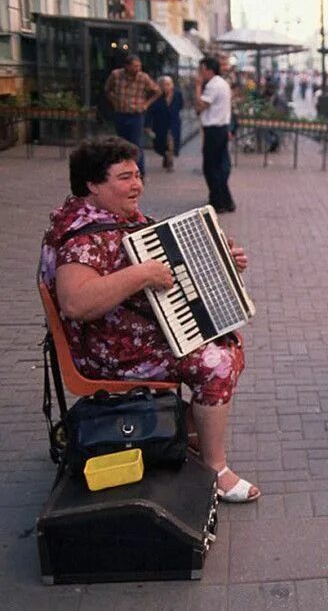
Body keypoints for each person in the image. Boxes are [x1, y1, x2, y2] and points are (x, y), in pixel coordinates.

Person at [39, 137, 259, 502]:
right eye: (124, 177)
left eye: (138, 175)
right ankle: (215, 469)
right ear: (93, 185)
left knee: (226, 339)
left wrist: (224, 262)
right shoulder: (81, 240)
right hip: (108, 352)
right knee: (215, 364)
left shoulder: (112, 220)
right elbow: (76, 304)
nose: (137, 184)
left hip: (127, 334)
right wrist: (141, 275)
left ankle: (182, 432)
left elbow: (173, 268)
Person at [104, 55, 161, 177]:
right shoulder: (116, 75)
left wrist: (146, 104)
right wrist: (114, 101)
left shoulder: (143, 77)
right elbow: (107, 89)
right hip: (121, 113)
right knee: (122, 143)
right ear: (127, 66)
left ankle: (140, 173)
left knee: (136, 144)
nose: (138, 68)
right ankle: (123, 171)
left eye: (139, 66)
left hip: (136, 115)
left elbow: (157, 91)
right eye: (135, 66)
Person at [194, 57, 236, 214]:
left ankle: (218, 201)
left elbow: (200, 105)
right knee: (220, 165)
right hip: (221, 128)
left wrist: (197, 87)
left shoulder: (212, 85)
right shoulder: (222, 83)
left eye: (201, 70)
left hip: (214, 129)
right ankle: (226, 200)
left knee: (211, 167)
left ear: (208, 70)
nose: (200, 74)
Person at [145, 76, 183, 172]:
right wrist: (147, 126)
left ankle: (170, 163)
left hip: (173, 123)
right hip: (159, 124)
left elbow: (181, 106)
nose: (167, 87)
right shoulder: (156, 97)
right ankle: (165, 155)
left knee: (171, 141)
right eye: (164, 85)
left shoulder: (177, 94)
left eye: (169, 84)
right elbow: (150, 112)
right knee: (159, 145)